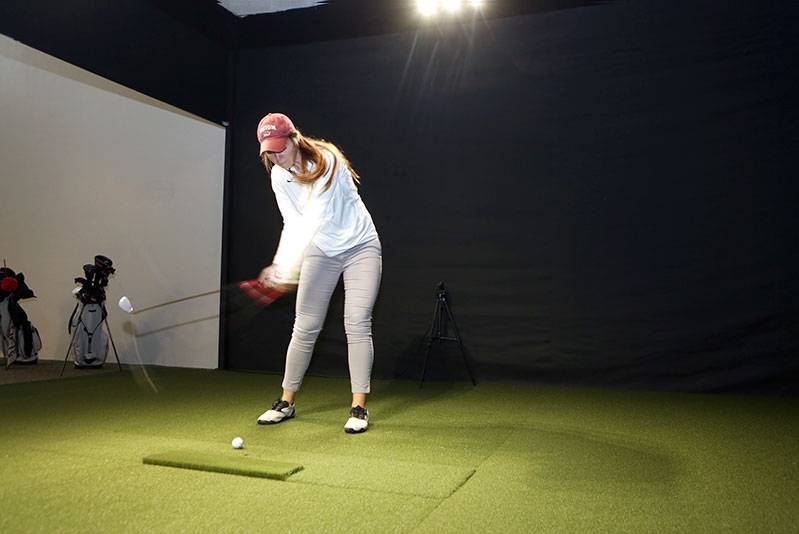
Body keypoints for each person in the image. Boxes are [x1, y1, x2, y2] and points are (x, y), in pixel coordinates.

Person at [254, 112, 382, 433]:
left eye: (280, 148)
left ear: (294, 139)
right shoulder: (279, 177)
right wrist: (280, 264)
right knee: (305, 326)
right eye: (269, 151)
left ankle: (358, 408)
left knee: (356, 322)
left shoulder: (328, 160)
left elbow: (311, 218)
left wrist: (283, 266)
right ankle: (286, 402)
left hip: (360, 246)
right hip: (321, 251)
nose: (276, 157)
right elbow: (292, 223)